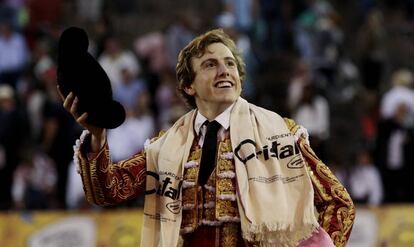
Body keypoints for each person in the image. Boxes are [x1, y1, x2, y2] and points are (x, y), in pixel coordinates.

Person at [59, 29, 354, 247]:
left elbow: (338, 203)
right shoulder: (168, 146)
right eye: (210, 64)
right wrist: (97, 137)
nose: (224, 71)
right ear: (189, 85)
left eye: (230, 64)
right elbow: (107, 190)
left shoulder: (281, 133)